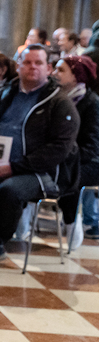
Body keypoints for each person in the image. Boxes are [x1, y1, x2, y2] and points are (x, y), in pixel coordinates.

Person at [0, 45, 80, 267]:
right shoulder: (3, 95)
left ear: (48, 68)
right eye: (27, 62)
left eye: (38, 63)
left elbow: (59, 148)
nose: (32, 67)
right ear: (18, 66)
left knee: (8, 191)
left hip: (40, 173)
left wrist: (14, 167)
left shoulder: (59, 102)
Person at [53, 56, 99, 243]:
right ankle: (21, 220)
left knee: (67, 175)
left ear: (76, 76)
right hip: (63, 157)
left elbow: (92, 147)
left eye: (61, 70)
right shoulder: (55, 98)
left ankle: (72, 222)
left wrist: (64, 157)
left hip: (90, 162)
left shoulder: (92, 103)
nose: (54, 73)